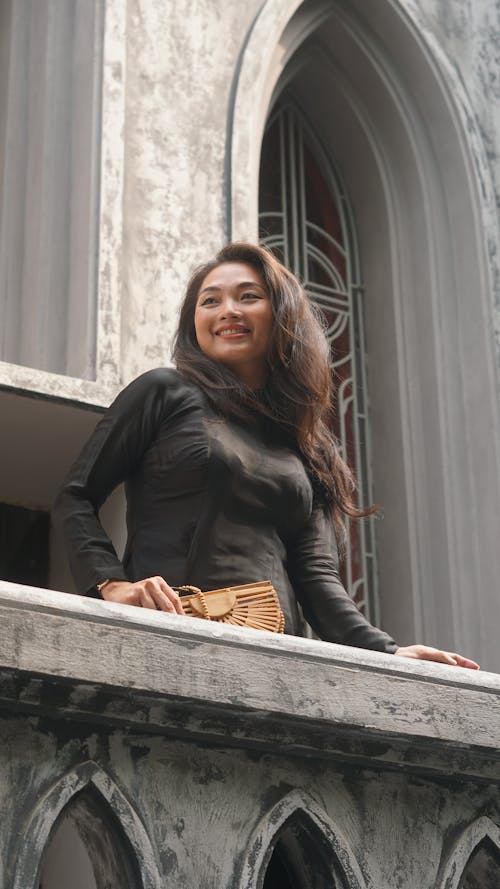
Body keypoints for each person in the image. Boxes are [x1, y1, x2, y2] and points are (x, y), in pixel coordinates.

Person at [54, 242, 479, 669]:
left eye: (248, 296)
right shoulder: (164, 393)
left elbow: (315, 577)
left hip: (275, 661)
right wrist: (111, 584)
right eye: (210, 301)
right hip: (171, 639)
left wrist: (389, 651)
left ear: (282, 315)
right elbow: (75, 496)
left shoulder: (310, 447)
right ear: (194, 322)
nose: (228, 310)